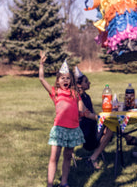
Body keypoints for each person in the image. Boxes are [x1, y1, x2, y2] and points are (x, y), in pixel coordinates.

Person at [38, 52, 98, 187]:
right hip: (59, 129)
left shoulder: (75, 93)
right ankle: (50, 184)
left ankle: (64, 182)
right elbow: (42, 79)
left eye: (67, 78)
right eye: (62, 78)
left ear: (71, 80)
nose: (65, 80)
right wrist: (41, 64)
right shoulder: (55, 92)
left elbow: (81, 110)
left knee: (67, 157)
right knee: (54, 157)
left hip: (73, 129)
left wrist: (88, 115)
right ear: (57, 81)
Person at [74, 66, 137, 170]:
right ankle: (94, 158)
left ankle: (128, 138)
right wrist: (105, 117)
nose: (89, 83)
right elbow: (87, 115)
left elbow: (93, 114)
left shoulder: (86, 96)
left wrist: (105, 116)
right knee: (112, 125)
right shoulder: (77, 98)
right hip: (85, 133)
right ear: (79, 85)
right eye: (86, 81)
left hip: (92, 127)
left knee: (112, 124)